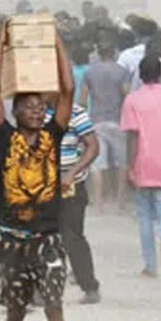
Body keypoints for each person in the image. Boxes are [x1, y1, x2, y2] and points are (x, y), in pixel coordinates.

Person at [0, 23, 75, 321]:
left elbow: (68, 90)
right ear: (15, 110)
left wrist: (56, 42)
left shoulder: (53, 136)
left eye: (42, 106)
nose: (38, 111)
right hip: (13, 240)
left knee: (55, 308)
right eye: (30, 106)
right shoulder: (4, 136)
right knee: (15, 312)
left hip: (48, 238)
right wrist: (0, 46)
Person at [121, 54, 161, 277]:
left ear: (140, 75)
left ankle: (150, 266)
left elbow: (132, 136)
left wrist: (130, 166)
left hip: (142, 163)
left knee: (145, 216)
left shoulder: (132, 100)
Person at [55, 98, 101, 303]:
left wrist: (72, 173)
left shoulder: (75, 113)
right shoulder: (31, 110)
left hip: (70, 186)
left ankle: (89, 286)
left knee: (72, 237)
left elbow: (93, 146)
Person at [82, 38, 132, 211]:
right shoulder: (122, 71)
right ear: (114, 52)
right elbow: (127, 94)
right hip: (117, 121)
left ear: (98, 52)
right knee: (122, 163)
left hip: (96, 121)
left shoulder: (89, 72)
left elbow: (82, 99)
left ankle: (99, 203)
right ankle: (120, 203)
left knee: (98, 164)